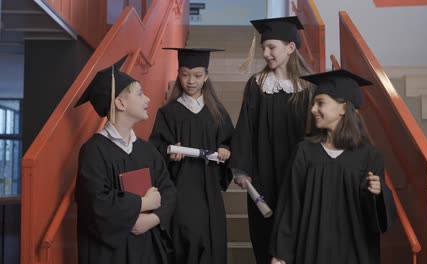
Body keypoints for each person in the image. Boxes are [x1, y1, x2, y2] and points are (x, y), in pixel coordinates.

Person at [270, 69, 397, 264]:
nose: (313, 109)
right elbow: (291, 205)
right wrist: (281, 254)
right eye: (313, 103)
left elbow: (376, 221)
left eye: (320, 103)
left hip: (354, 253)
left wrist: (379, 194)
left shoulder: (369, 156)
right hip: (311, 250)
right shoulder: (304, 152)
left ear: (343, 108)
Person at [74, 56, 177, 264]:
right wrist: (143, 203)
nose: (148, 100)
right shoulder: (94, 151)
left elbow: (168, 191)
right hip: (110, 255)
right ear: (120, 103)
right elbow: (96, 204)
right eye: (140, 94)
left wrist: (152, 219)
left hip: (147, 249)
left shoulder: (147, 151)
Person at [229, 16, 314, 264]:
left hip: (299, 174)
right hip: (263, 175)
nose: (265, 53)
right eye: (263, 48)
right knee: (264, 233)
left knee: (299, 231)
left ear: (290, 48)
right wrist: (242, 169)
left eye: (271, 47)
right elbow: (245, 128)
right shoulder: (257, 85)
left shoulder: (309, 88)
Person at [149, 48, 234, 264]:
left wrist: (225, 150)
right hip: (181, 187)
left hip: (209, 190)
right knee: (184, 239)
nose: (190, 81)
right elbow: (155, 149)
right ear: (178, 74)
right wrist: (169, 152)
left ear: (206, 76)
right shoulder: (168, 113)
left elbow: (230, 143)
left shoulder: (217, 112)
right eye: (185, 74)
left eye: (197, 75)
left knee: (210, 240)